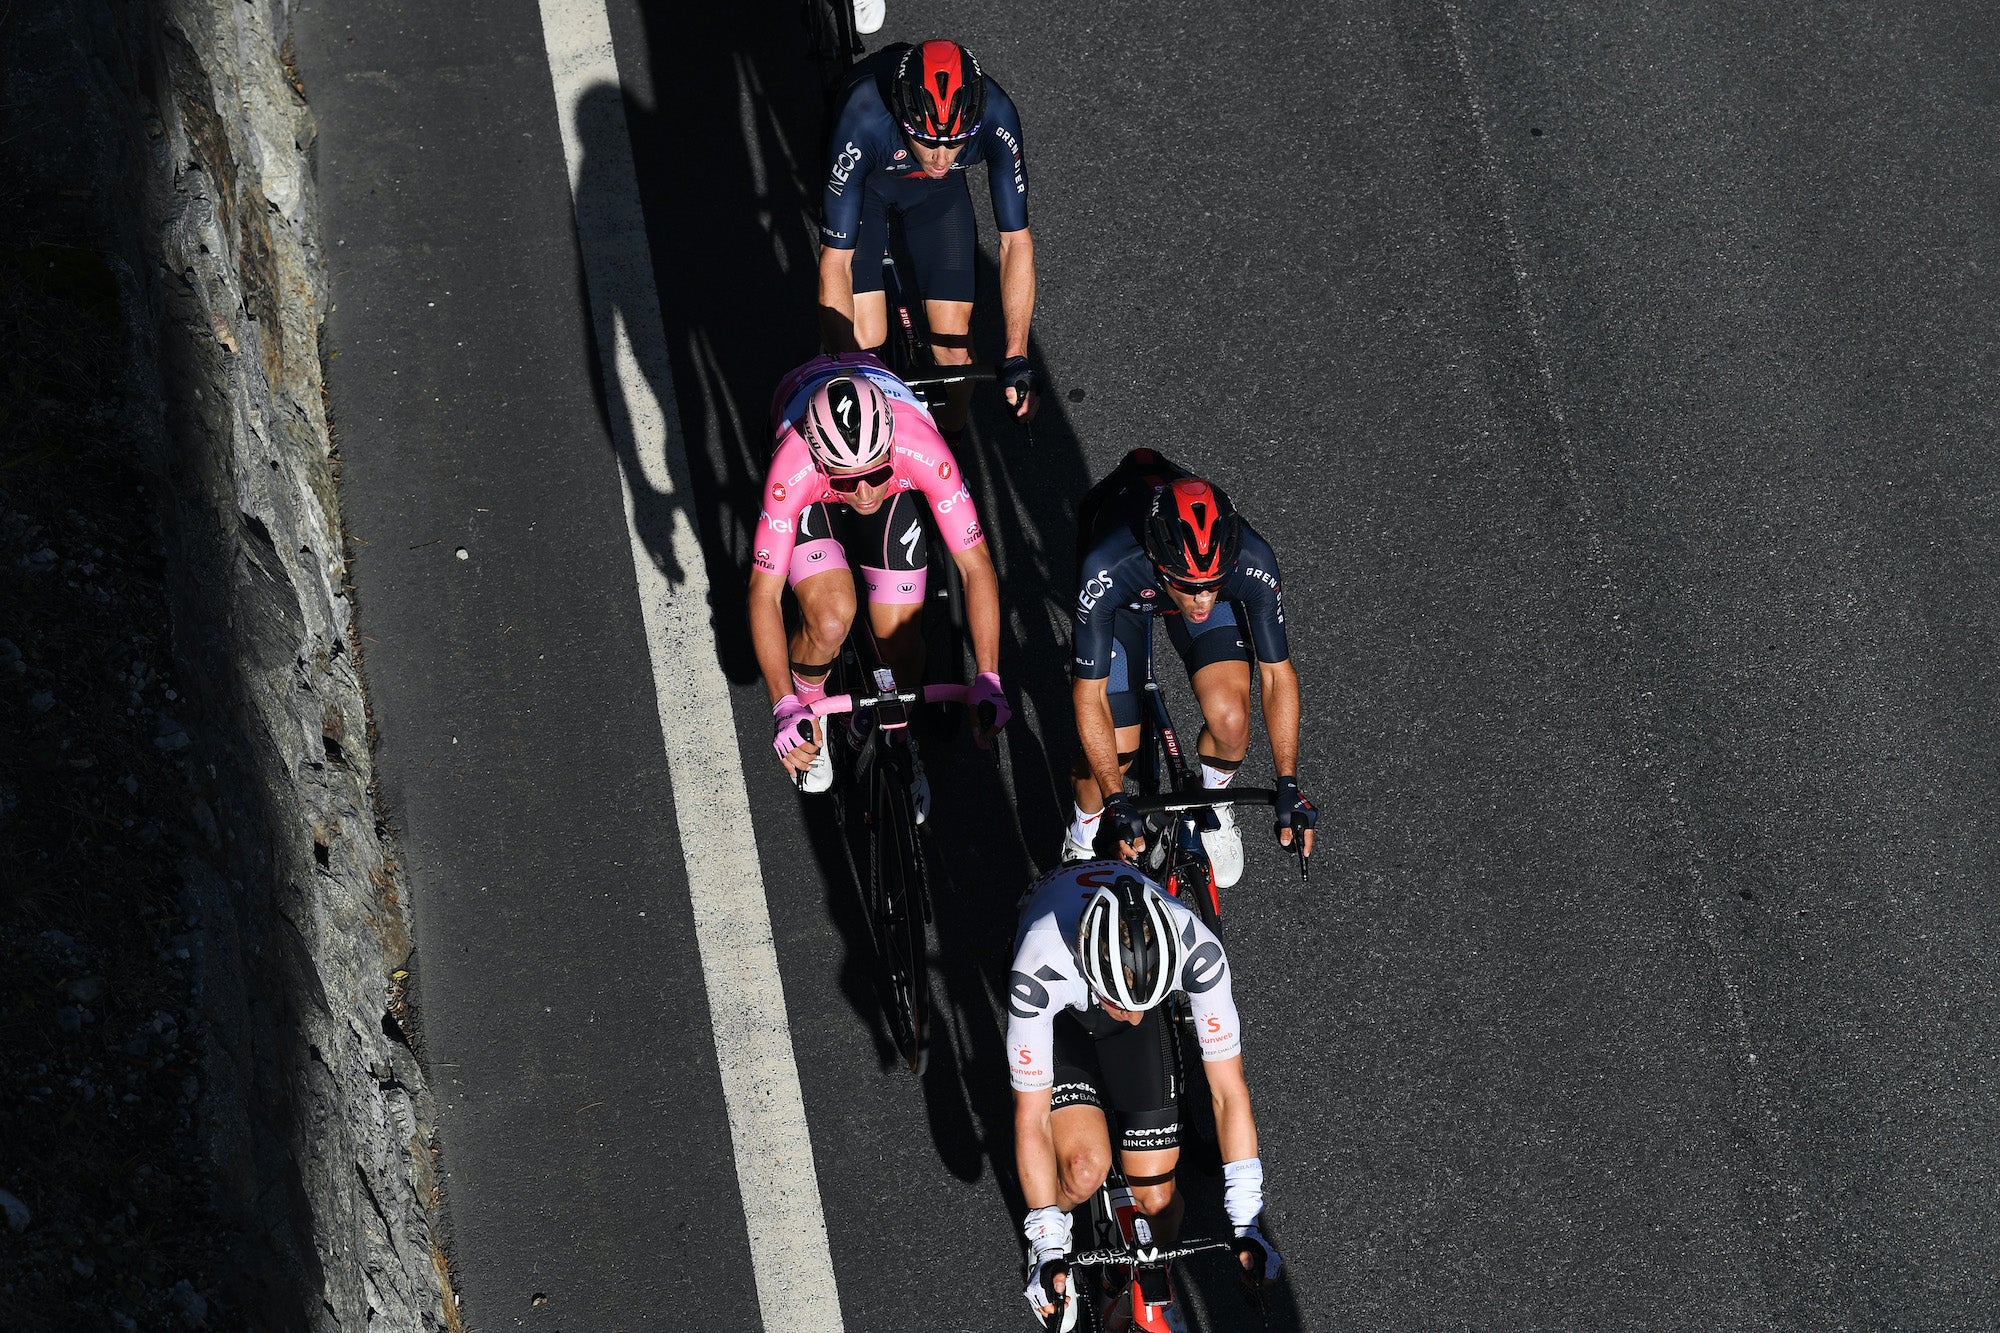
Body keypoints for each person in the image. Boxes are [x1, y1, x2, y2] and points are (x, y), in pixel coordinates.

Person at [1009, 862, 1282, 1327]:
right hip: (1064, 1019)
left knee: (1158, 1201)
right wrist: (1048, 1244)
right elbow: (1029, 1118)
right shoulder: (1038, 966)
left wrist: (1247, 1221)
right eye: (1121, 1003)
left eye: (1146, 1003)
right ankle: (1060, 1233)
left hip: (1126, 982)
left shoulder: (1198, 951)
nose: (1133, 1016)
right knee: (1082, 1169)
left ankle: (1126, 1281)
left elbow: (1228, 1091)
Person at [750, 353, 1009, 791]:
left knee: (902, 640)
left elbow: (975, 566)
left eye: (878, 473)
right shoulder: (791, 466)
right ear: (818, 456)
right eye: (849, 481)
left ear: (891, 447)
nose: (866, 493)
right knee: (830, 618)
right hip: (809, 475)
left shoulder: (923, 448)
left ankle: (900, 737)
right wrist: (785, 704)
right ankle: (813, 712)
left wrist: (988, 675)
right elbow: (764, 594)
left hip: (881, 439)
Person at [1063, 449, 1319, 886]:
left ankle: (1212, 802)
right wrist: (1115, 798)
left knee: (1231, 718)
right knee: (1112, 755)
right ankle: (1082, 837)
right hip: (1126, 598)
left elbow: (1278, 674)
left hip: (1177, 575)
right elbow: (1088, 694)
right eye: (1190, 588)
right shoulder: (1108, 566)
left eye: (1211, 588)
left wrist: (1289, 781)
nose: (1202, 602)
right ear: (1162, 565)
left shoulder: (1252, 561)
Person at [818, 39, 1038, 431]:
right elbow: (835, 261)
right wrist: (847, 365)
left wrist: (1017, 352)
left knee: (955, 360)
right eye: (926, 140)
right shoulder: (864, 118)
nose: (940, 157)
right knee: (863, 349)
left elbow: (1015, 241)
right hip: (867, 183)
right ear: (903, 119)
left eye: (955, 142)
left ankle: (950, 448)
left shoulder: (997, 115)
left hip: (937, 195)